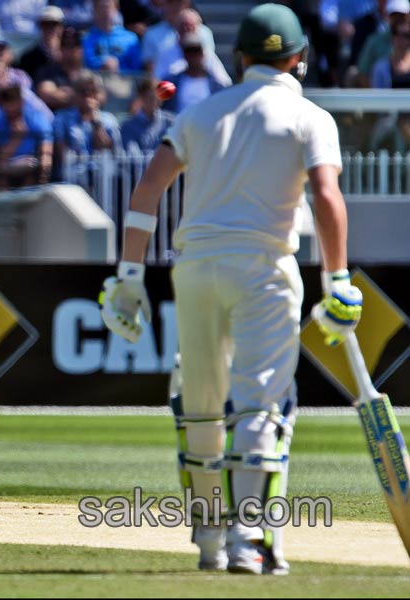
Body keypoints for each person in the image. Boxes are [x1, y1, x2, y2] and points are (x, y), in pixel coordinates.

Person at [98, 4, 363, 575]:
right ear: (298, 58)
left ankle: (209, 540)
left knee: (199, 407)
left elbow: (148, 189)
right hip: (265, 268)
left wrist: (127, 276)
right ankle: (251, 540)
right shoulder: (310, 116)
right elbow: (325, 195)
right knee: (261, 403)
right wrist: (337, 278)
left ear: (240, 57)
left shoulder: (201, 113)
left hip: (195, 268)